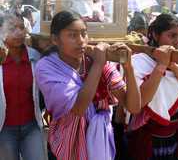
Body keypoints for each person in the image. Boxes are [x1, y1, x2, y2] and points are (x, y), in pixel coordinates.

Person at [35, 10, 141, 160]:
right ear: (55, 40)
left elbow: (134, 107)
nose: (81, 41)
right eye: (72, 35)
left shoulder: (98, 62)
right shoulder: (46, 67)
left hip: (100, 146)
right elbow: (78, 108)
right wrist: (98, 63)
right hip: (66, 147)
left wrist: (129, 68)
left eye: (84, 34)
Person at [127, 13, 178, 160]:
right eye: (171, 36)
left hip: (174, 139)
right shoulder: (139, 62)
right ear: (155, 34)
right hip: (146, 140)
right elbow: (140, 101)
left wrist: (173, 66)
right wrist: (161, 66)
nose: (177, 42)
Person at [0, 12, 47, 160]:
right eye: (12, 28)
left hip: (31, 127)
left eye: (22, 27)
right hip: (4, 130)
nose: (19, 32)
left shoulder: (35, 57)